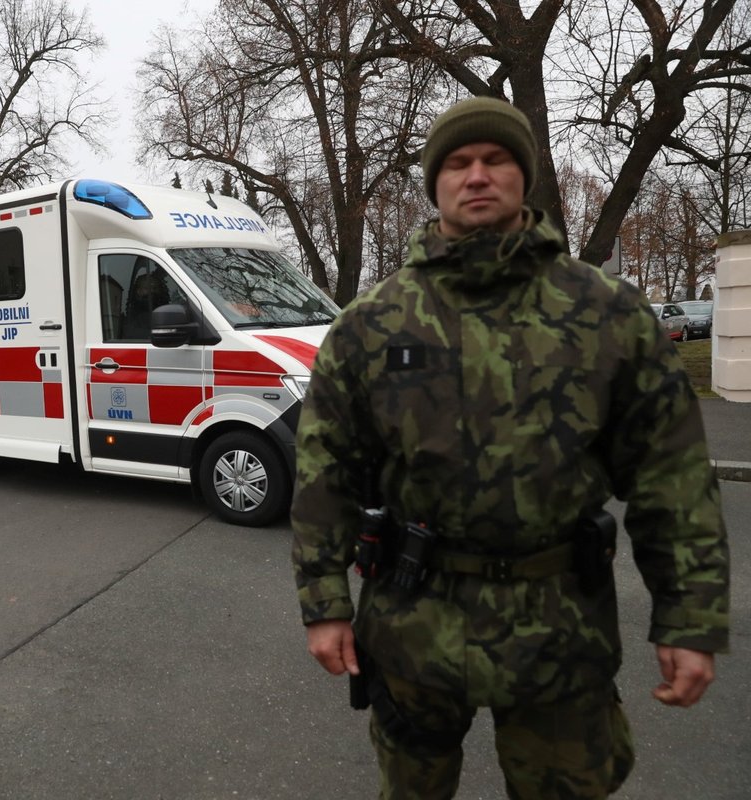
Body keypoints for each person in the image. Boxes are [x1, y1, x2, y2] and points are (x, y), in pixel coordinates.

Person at [290, 96, 729, 799]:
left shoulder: (606, 313)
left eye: (495, 159)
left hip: (560, 628)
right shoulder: (372, 324)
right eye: (458, 163)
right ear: (435, 183)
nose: (477, 176)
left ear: (524, 176)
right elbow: (325, 473)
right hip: (414, 622)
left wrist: (689, 618)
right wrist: (324, 603)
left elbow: (669, 475)